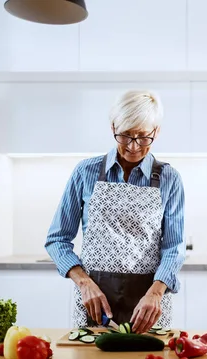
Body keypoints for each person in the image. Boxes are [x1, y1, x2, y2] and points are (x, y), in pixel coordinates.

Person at [45, 90, 185, 333]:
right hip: (95, 303)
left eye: (143, 137)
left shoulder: (169, 179)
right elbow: (57, 240)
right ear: (112, 128)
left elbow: (173, 247)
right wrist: (83, 282)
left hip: (148, 305)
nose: (133, 146)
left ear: (156, 132)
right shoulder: (85, 172)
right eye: (125, 136)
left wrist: (156, 292)